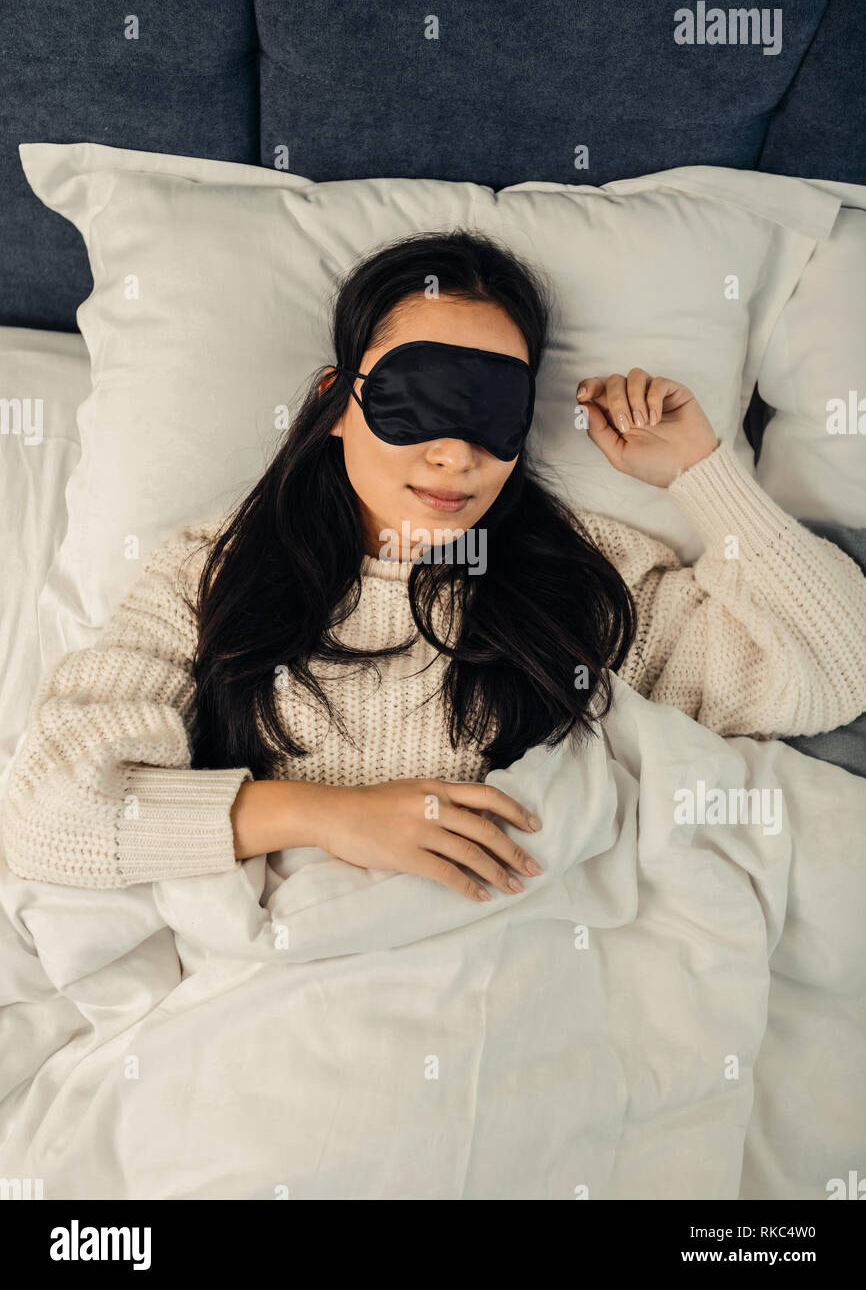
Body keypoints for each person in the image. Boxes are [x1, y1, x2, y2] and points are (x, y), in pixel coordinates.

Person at [4, 230, 866, 895]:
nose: (456, 457)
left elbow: (837, 670)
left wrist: (701, 472)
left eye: (491, 414)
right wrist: (333, 819)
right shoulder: (211, 575)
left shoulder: (583, 581)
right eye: (419, 399)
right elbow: (47, 815)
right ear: (335, 404)